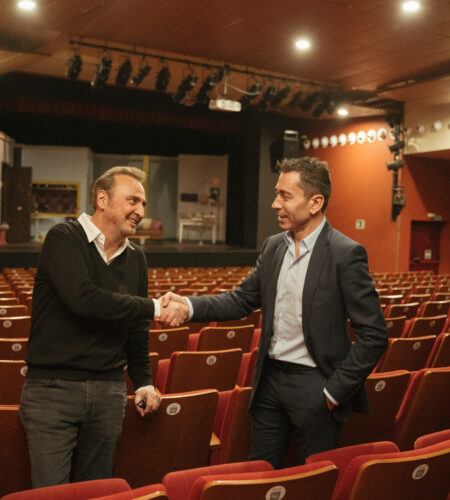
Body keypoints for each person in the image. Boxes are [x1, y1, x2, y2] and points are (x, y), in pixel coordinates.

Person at [161, 156, 388, 467]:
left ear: (315, 202)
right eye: (276, 193)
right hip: (269, 382)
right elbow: (241, 300)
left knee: (313, 479)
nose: (274, 204)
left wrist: (334, 392)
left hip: (317, 385)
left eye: (285, 195)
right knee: (260, 473)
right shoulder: (272, 247)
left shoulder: (345, 254)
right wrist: (187, 306)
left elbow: (374, 334)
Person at [19, 166, 183, 487]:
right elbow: (83, 299)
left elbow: (135, 329)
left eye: (143, 204)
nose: (140, 211)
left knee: (97, 493)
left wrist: (144, 382)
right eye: (132, 200)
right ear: (103, 199)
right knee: (51, 495)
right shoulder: (63, 238)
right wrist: (154, 307)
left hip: (109, 392)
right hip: (53, 391)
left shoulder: (136, 258)